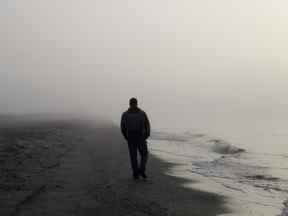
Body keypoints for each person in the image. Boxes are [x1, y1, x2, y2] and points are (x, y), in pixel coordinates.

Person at [121, 98, 151, 180]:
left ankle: (136, 173)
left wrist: (126, 137)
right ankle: (141, 170)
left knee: (133, 156)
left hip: (131, 137)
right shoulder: (142, 113)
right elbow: (147, 125)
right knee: (144, 154)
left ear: (129, 104)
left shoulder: (125, 114)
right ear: (136, 103)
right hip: (140, 137)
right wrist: (146, 135)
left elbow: (122, 128)